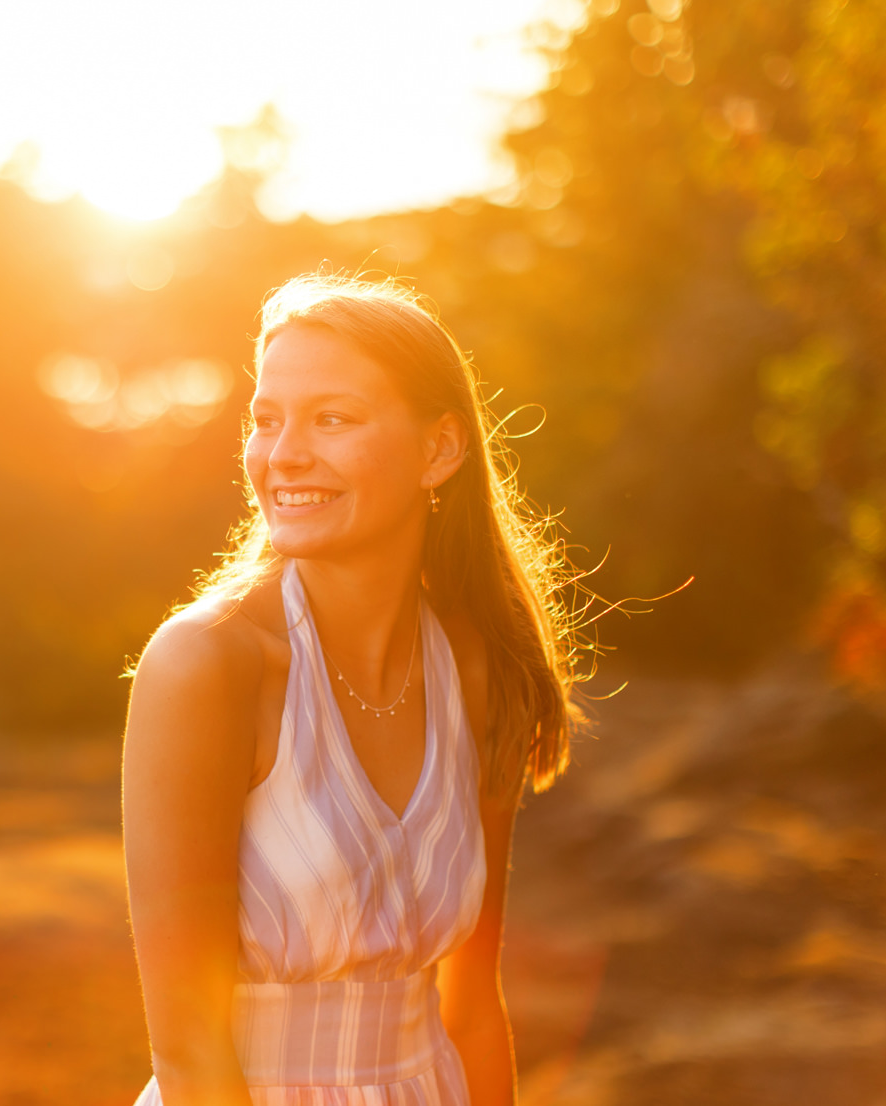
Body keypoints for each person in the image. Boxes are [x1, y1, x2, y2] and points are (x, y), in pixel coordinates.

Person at [121, 272, 582, 1106]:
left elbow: (471, 1004)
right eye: (266, 420)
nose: (283, 453)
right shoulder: (205, 664)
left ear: (439, 450)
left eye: (332, 418)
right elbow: (188, 1047)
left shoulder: (481, 668)